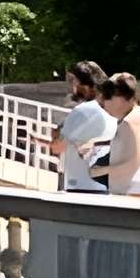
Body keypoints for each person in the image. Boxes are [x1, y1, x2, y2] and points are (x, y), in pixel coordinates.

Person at [100, 74, 140, 198]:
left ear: (126, 97)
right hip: (139, 191)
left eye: (108, 96)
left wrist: (96, 171)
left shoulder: (131, 121)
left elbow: (133, 163)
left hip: (135, 193)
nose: (104, 102)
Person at [52, 61, 112, 193]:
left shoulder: (81, 111)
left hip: (80, 185)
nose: (72, 85)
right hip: (107, 186)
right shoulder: (114, 110)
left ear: (87, 84)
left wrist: (55, 135)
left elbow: (57, 147)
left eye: (74, 80)